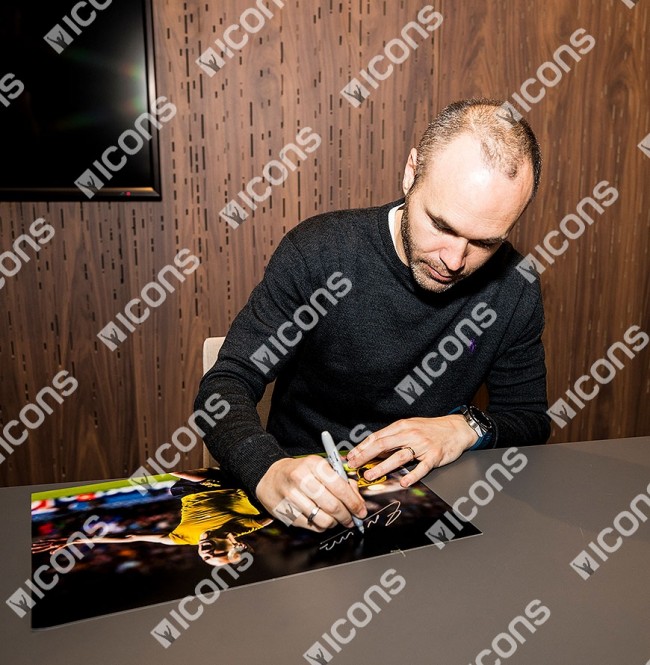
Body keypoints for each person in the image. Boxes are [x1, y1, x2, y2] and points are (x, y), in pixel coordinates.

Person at [195, 98, 550, 534]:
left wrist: (464, 427)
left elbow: (530, 418)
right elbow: (224, 386)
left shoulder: (514, 286)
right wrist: (267, 470)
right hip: (303, 500)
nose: (455, 260)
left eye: (485, 242)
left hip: (435, 508)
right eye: (441, 225)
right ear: (410, 172)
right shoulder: (320, 254)